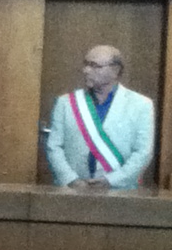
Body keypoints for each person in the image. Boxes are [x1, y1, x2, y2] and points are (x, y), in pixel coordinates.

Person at [46, 44, 154, 190]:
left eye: (94, 65)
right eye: (85, 64)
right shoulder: (65, 103)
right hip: (73, 190)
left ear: (115, 70)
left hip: (120, 191)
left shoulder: (141, 105)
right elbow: (54, 147)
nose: (85, 70)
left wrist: (112, 180)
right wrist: (72, 180)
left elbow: (143, 152)